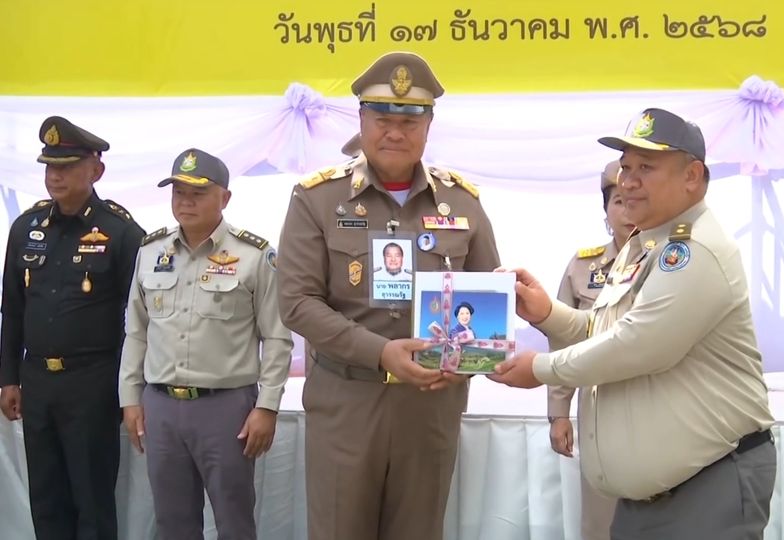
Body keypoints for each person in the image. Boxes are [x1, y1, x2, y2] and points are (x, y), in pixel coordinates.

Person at [490, 108, 776, 540]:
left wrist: (541, 369)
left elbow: (638, 344)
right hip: (652, 499)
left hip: (705, 487)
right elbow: (607, 329)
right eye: (625, 167)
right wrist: (548, 313)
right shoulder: (645, 244)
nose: (628, 181)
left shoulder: (694, 249)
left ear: (692, 176)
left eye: (646, 167)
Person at [276, 51, 501, 540]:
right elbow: (297, 302)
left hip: (430, 407)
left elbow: (486, 298)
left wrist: (471, 358)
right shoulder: (318, 198)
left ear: (428, 127)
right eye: (382, 119)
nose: (395, 132)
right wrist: (380, 352)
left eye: (409, 122)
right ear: (361, 121)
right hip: (348, 403)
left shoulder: (462, 202)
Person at [118, 148, 293, 539]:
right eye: (178, 192)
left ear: (225, 198)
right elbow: (137, 331)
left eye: (198, 192)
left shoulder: (253, 256)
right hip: (161, 405)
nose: (186, 201)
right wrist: (129, 397)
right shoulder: (150, 252)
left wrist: (267, 406)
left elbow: (277, 338)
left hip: (226, 409)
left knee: (234, 520)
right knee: (172, 522)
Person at [0, 116, 144, 540]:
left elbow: (139, 319)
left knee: (92, 501)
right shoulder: (26, 228)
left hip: (92, 384)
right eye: (49, 167)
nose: (55, 176)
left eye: (65, 166)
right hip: (37, 381)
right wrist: (8, 377)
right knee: (46, 501)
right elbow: (13, 309)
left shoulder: (120, 231)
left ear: (95, 170)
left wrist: (130, 387)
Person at [547, 159, 633, 540]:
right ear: (606, 210)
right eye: (619, 201)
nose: (627, 210)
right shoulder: (583, 267)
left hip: (660, 405)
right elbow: (563, 342)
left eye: (634, 199)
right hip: (599, 409)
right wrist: (558, 413)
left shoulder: (673, 261)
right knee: (601, 522)